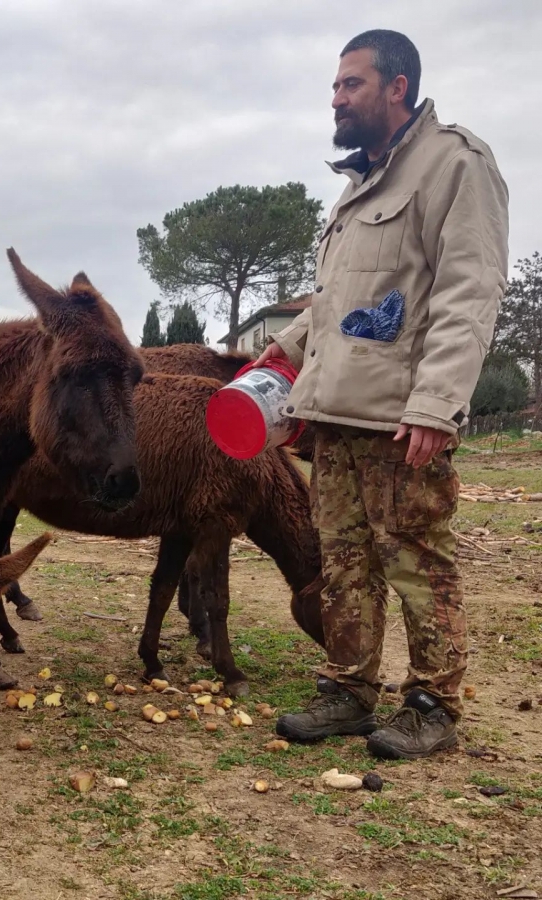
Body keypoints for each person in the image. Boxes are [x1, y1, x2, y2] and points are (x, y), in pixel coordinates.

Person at [255, 29, 509, 759]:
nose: (336, 98)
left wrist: (436, 404)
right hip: (334, 413)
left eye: (351, 85)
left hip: (401, 419)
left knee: (417, 559)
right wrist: (290, 349)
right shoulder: (359, 185)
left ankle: (433, 704)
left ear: (396, 87)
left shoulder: (453, 165)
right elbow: (340, 301)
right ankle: (349, 690)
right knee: (343, 561)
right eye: (335, 86)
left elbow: (469, 291)